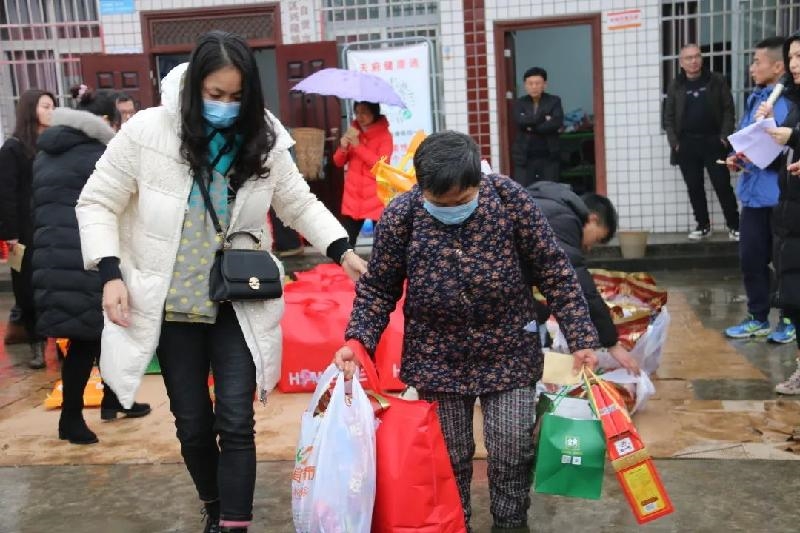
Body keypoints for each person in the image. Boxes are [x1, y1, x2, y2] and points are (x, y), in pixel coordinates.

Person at [75, 31, 367, 533]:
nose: (226, 106)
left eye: (236, 96)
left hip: (239, 299)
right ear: (195, 89)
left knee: (236, 419)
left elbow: (298, 203)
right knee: (192, 425)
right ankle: (214, 504)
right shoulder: (147, 132)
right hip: (172, 305)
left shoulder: (264, 137)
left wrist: (342, 250)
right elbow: (97, 201)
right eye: (215, 94)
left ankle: (234, 523)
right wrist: (109, 273)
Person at [334, 131, 600, 533]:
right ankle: (455, 524)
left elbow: (554, 270)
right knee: (449, 456)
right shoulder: (403, 215)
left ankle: (511, 524)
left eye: (462, 200)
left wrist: (581, 338)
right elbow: (378, 289)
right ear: (421, 188)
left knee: (512, 448)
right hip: (436, 357)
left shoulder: (509, 200)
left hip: (508, 350)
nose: (453, 210)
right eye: (441, 204)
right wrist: (358, 341)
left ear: (478, 181)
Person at [31, 86, 152, 445]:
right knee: (87, 338)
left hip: (54, 255)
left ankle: (114, 400)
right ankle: (70, 419)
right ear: (103, 121)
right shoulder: (99, 154)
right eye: (118, 119)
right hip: (86, 255)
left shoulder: (46, 153)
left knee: (100, 332)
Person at [724, 37, 796, 344]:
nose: (752, 68)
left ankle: (790, 320)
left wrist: (759, 152)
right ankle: (758, 317)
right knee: (751, 259)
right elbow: (748, 138)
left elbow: (785, 147)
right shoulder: (757, 99)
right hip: (753, 196)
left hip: (780, 196)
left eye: (757, 62)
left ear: (777, 66)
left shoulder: (789, 102)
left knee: (786, 262)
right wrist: (737, 158)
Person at [526, 181, 639, 374]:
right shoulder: (564, 221)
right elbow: (580, 287)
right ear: (593, 219)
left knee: (536, 314)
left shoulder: (544, 204)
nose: (589, 248)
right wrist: (611, 343)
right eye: (596, 240)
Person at [0, 88, 56, 368]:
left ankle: (63, 343)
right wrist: (9, 234)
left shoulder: (55, 144)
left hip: (51, 227)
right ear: (30, 108)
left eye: (52, 106)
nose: (50, 111)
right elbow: (6, 194)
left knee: (56, 285)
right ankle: (36, 344)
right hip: (22, 233)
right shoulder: (13, 148)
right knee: (26, 289)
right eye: (45, 106)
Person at [758, 31, 800, 395]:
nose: (795, 64)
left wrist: (793, 137)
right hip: (790, 214)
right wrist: (769, 128)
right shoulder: (792, 100)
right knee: (794, 300)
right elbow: (786, 151)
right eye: (793, 57)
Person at [664, 43, 740, 240]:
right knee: (694, 187)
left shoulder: (716, 80)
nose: (694, 61)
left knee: (722, 185)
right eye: (688, 58)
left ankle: (735, 226)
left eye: (697, 56)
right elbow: (668, 117)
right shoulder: (676, 85)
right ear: (681, 63)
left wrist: (724, 137)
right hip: (686, 144)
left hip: (713, 142)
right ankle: (703, 225)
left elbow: (728, 110)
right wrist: (675, 143)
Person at [332, 100, 393, 247]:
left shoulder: (385, 136)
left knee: (382, 243)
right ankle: (347, 262)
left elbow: (381, 166)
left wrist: (358, 146)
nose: (360, 116)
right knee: (346, 241)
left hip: (376, 196)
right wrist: (343, 147)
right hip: (353, 196)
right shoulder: (353, 132)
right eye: (357, 112)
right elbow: (338, 162)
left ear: (374, 112)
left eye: (364, 112)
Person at [511, 67, 564, 186]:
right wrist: (543, 117)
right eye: (530, 83)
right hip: (524, 156)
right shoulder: (519, 103)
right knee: (524, 192)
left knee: (549, 190)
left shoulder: (554, 101)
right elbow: (520, 121)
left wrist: (531, 127)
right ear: (525, 85)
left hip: (549, 155)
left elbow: (556, 123)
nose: (534, 87)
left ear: (545, 84)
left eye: (537, 83)